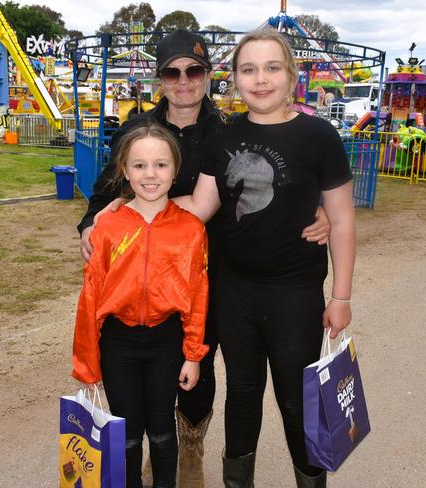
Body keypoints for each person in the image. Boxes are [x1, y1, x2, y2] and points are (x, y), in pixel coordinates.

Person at [77, 30, 330, 487]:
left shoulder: (229, 130)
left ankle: (188, 447)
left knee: (200, 364)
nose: (184, 81)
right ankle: (152, 448)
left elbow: (270, 186)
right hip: (142, 276)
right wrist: (92, 224)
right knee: (142, 368)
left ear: (209, 76)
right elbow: (105, 191)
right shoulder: (135, 131)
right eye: (173, 72)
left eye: (194, 70)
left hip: (210, 273)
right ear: (160, 78)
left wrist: (319, 214)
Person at [171, 29, 356, 487]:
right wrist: (129, 205)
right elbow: (200, 206)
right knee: (243, 394)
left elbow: (343, 220)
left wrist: (342, 296)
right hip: (234, 291)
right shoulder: (225, 136)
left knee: (296, 399)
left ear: (292, 76)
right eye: (248, 69)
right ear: (233, 78)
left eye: (272, 68)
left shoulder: (319, 136)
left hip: (295, 293)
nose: (260, 79)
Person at [72, 122, 209, 488]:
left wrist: (193, 354)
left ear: (175, 170)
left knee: (162, 430)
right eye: (140, 165)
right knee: (127, 432)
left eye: (161, 165)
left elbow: (198, 294)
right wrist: (87, 363)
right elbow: (90, 297)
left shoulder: (191, 229)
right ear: (124, 170)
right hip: (118, 343)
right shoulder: (108, 227)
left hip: (167, 341)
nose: (150, 174)